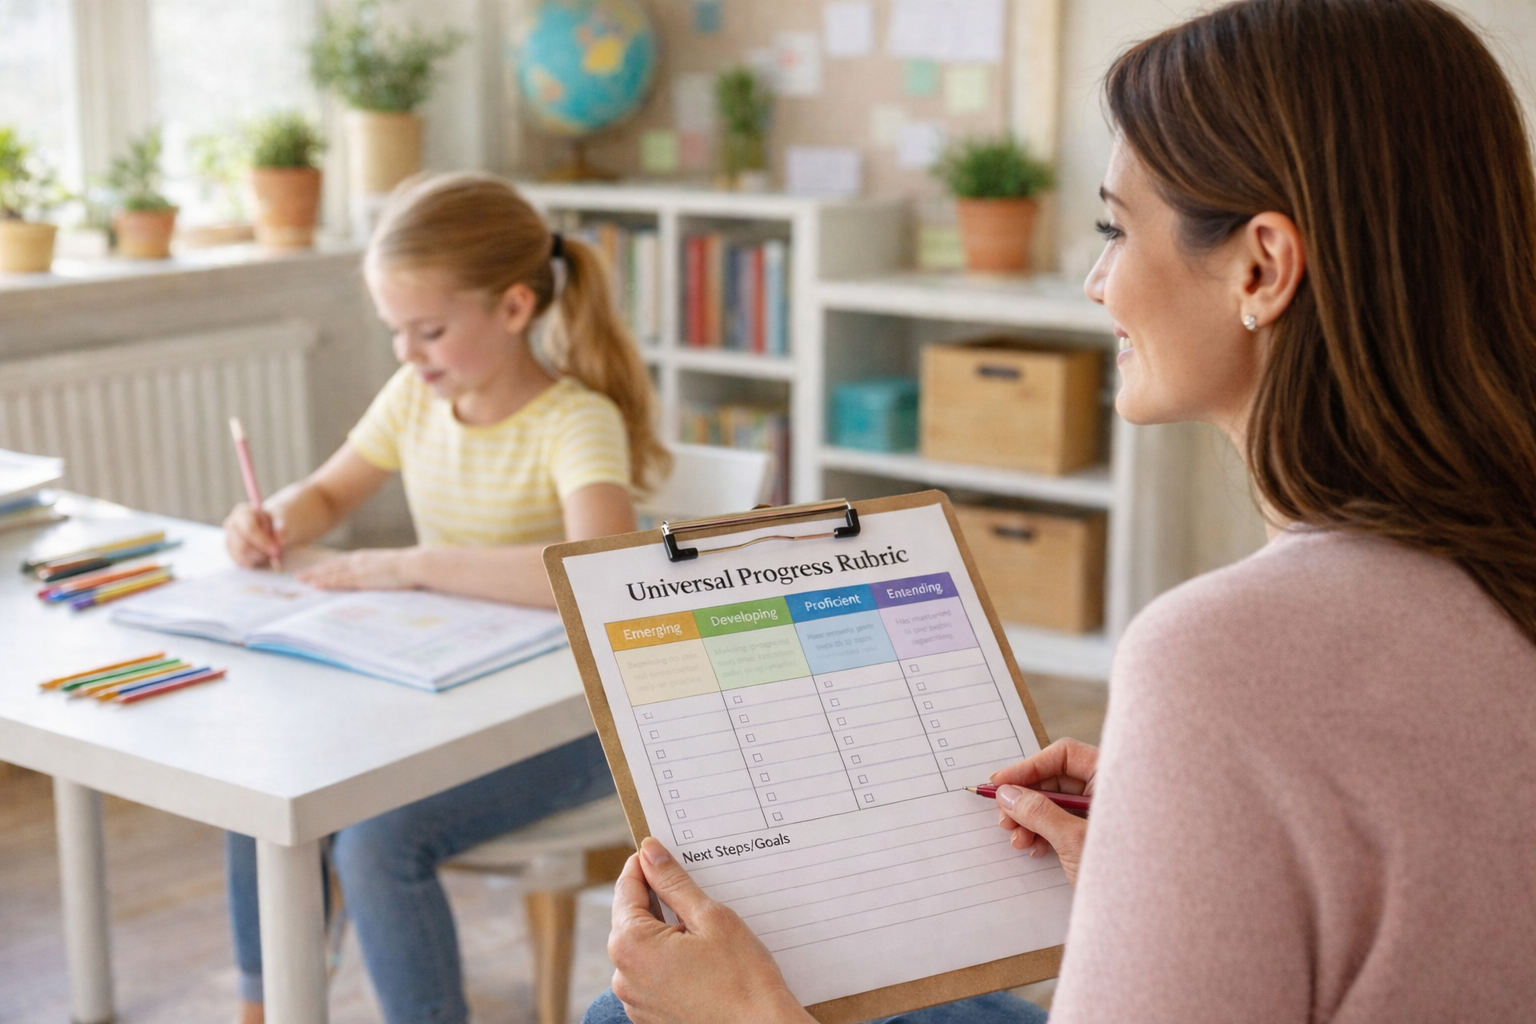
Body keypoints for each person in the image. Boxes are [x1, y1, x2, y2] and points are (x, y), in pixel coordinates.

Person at [584, 1, 1536, 1022]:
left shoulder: (1223, 656)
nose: (1095, 281)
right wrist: (1174, 853)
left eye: (1115, 229)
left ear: (1261, 267)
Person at [222, 171, 671, 1024]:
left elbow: (598, 569)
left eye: (428, 330)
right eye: (396, 331)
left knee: (381, 842)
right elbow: (323, 498)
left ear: (511, 309)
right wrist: (270, 516)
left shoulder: (575, 421)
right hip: (449, 696)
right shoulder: (414, 401)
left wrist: (415, 563)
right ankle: (263, 1009)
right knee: (264, 786)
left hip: (582, 724)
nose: (407, 353)